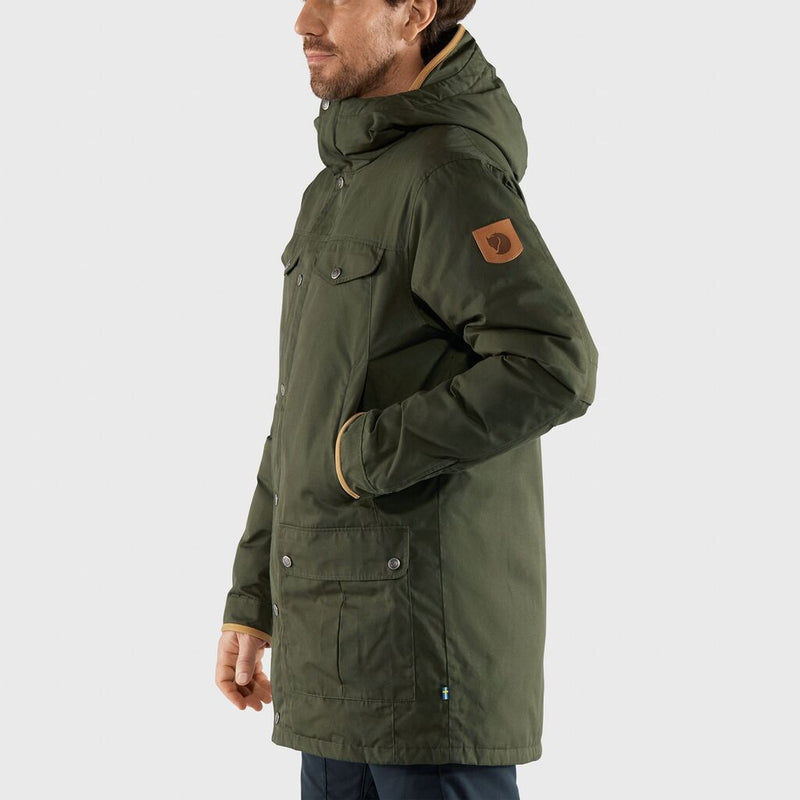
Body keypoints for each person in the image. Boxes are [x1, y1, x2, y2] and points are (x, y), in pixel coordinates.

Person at [214, 1, 599, 797]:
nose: (304, 21)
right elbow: (299, 412)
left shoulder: (448, 173)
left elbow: (553, 362)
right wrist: (252, 598)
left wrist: (367, 453)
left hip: (424, 669)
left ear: (415, 12)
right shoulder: (337, 189)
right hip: (333, 657)